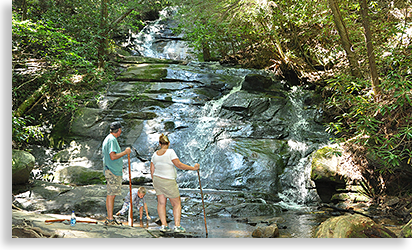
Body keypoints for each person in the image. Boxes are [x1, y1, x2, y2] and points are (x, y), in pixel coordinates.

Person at [150, 133, 200, 233]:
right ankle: (177, 226)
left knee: (161, 203)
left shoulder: (155, 154)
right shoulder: (170, 152)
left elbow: (152, 169)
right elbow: (179, 165)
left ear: (160, 144)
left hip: (157, 180)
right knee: (176, 204)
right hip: (168, 180)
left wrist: (155, 181)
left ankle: (164, 225)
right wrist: (193, 168)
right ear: (168, 143)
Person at [102, 121, 131, 226]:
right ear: (119, 130)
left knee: (111, 194)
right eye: (121, 130)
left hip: (111, 169)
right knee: (111, 195)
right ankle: (110, 219)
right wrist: (125, 152)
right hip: (112, 171)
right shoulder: (112, 140)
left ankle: (110, 218)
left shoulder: (109, 139)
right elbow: (112, 156)